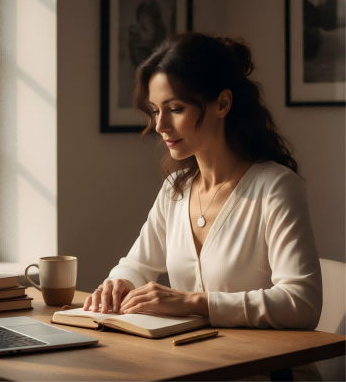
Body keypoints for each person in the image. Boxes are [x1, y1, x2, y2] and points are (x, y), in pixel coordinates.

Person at [85, 32, 323, 380]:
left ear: (222, 104)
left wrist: (193, 303)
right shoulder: (174, 191)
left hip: (265, 374)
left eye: (175, 109)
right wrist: (118, 282)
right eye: (155, 111)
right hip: (192, 368)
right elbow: (136, 264)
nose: (161, 126)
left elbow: (302, 304)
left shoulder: (276, 188)